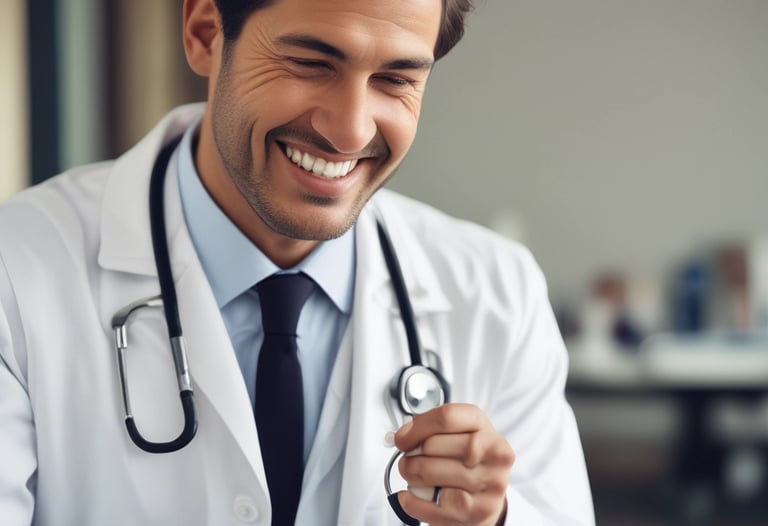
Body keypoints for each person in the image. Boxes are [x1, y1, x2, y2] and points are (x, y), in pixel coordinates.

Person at [0, 0, 594, 524]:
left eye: (394, 79)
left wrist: (497, 521)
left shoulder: (498, 290)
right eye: (311, 63)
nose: (349, 130)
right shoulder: (18, 270)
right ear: (206, 32)